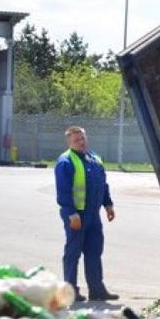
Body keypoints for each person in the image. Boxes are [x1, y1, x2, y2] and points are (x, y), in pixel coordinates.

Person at [54, 126, 119, 302]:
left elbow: (103, 185)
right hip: (76, 214)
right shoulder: (65, 162)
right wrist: (71, 213)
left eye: (82, 138)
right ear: (69, 142)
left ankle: (97, 290)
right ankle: (71, 291)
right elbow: (63, 192)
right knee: (73, 252)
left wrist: (108, 204)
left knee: (94, 251)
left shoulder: (95, 159)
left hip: (93, 214)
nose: (81, 142)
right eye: (76, 140)